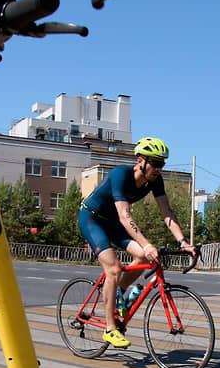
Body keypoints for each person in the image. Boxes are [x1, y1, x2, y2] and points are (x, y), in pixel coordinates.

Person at [78, 137, 195, 348]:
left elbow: (167, 213)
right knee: (113, 268)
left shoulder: (154, 181)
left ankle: (118, 294)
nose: (159, 168)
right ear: (140, 160)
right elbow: (124, 215)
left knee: (141, 256)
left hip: (112, 222)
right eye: (156, 163)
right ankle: (110, 329)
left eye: (162, 164)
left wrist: (184, 242)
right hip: (92, 219)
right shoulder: (120, 175)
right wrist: (148, 244)